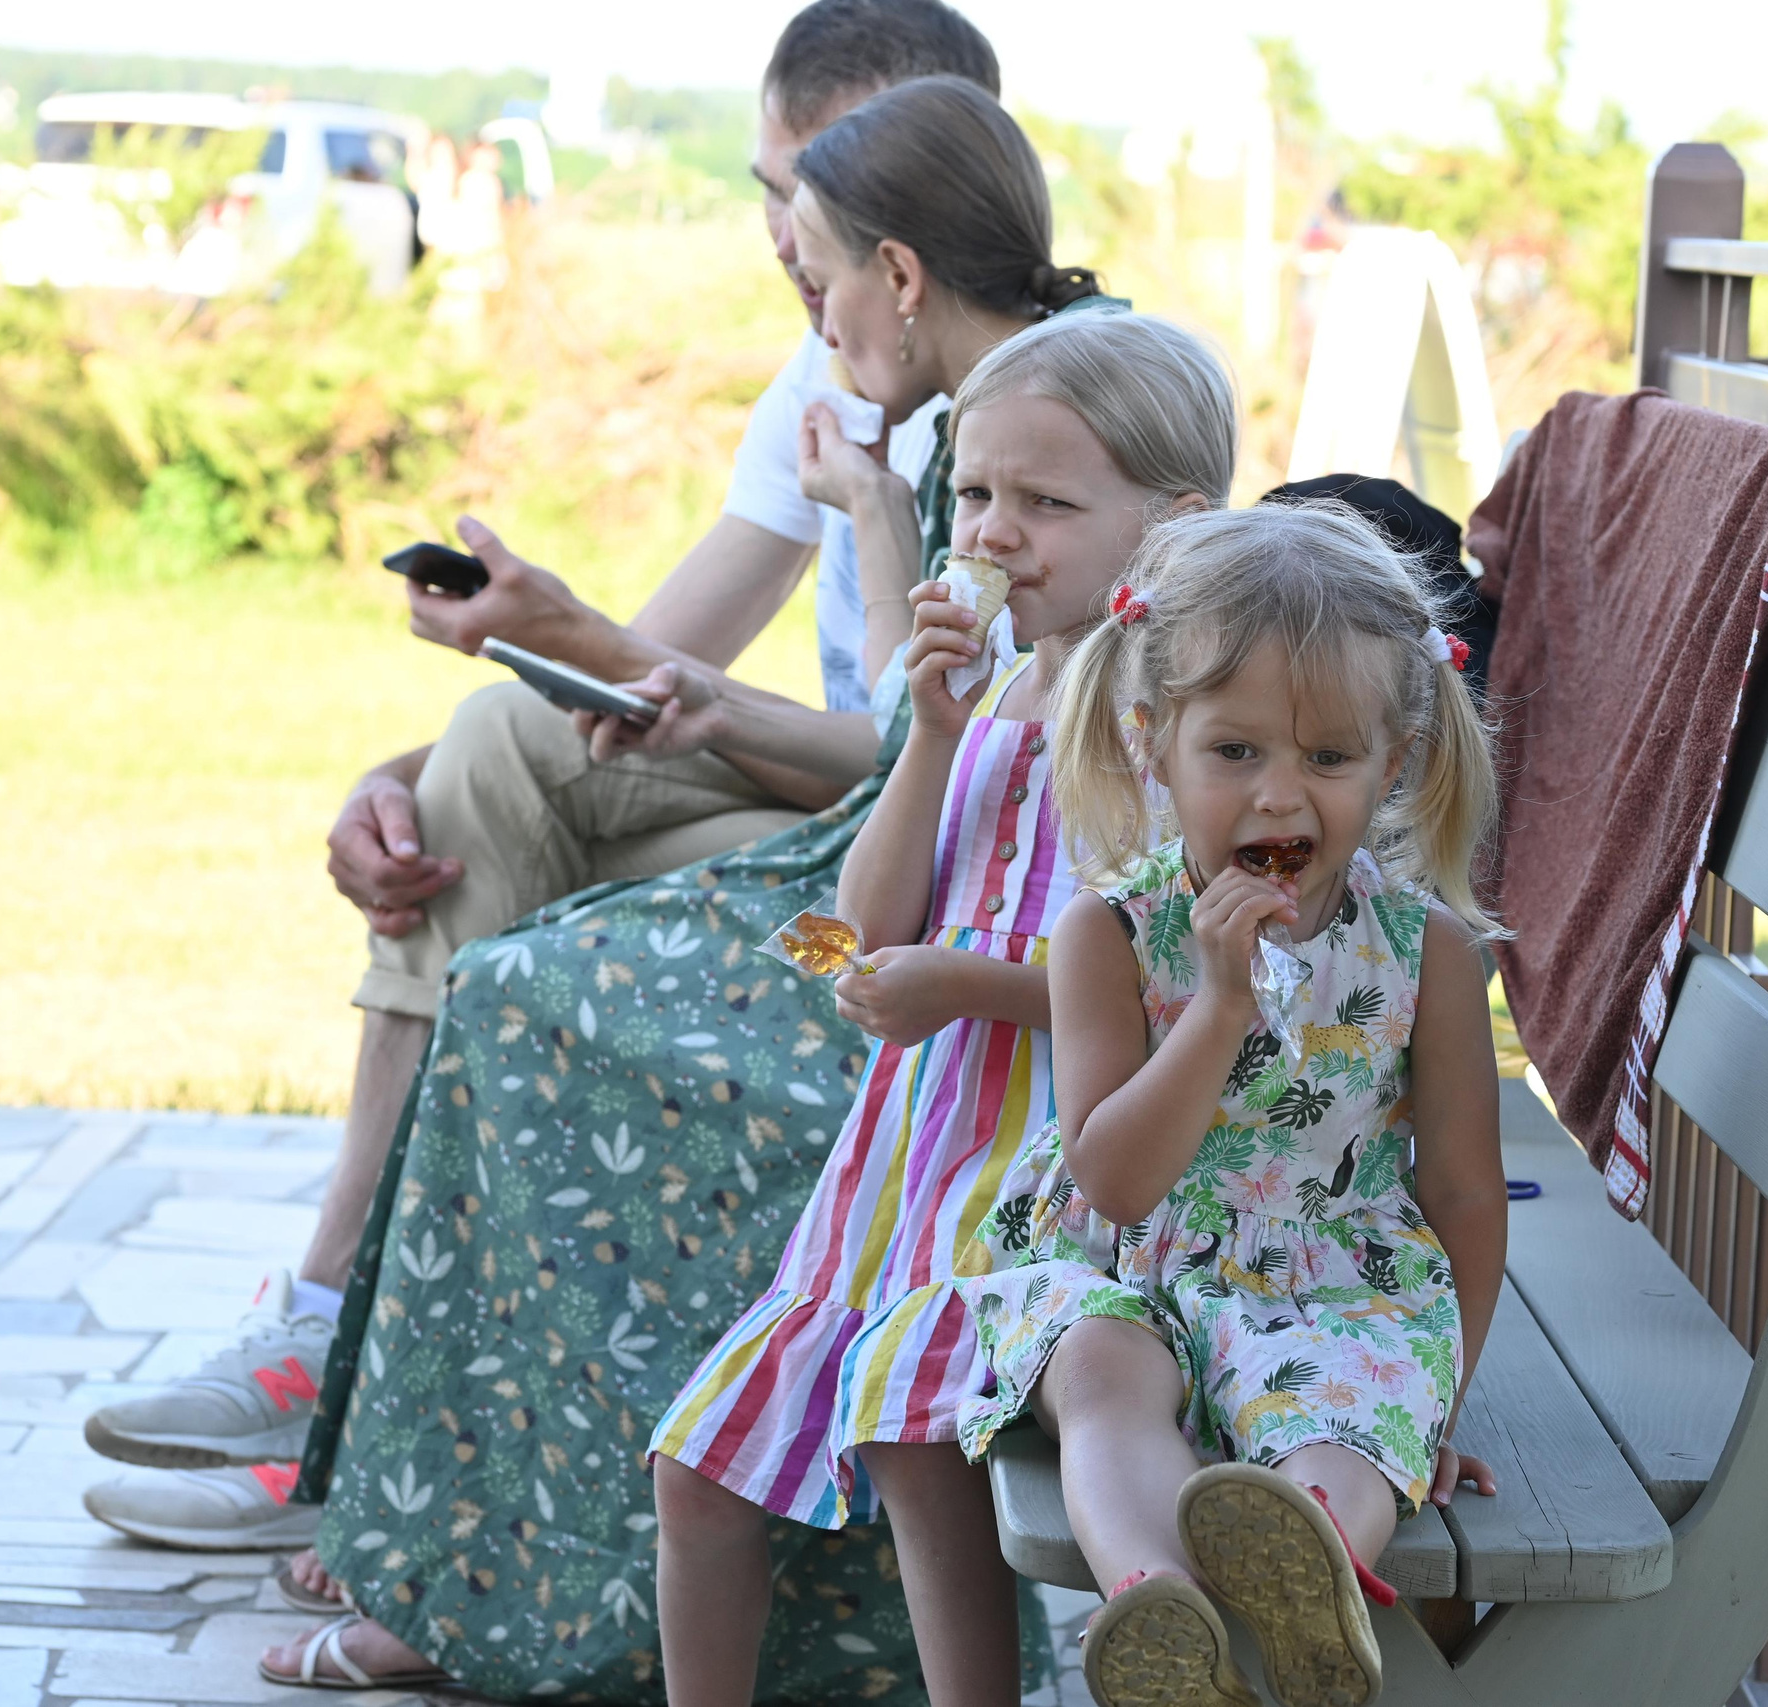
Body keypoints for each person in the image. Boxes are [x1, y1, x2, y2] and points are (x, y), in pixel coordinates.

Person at [79, 0, 1000, 1554]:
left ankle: (354, 1400)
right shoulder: (830, 370)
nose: (787, 240)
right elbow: (644, 669)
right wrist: (402, 775)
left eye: (818, 205)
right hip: (844, 840)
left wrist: (574, 641)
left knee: (523, 961)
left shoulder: (1026, 409)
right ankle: (329, 1344)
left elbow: (950, 760)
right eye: (773, 188)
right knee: (487, 770)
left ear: (923, 218)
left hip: (900, 924)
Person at [254, 72, 1120, 1696]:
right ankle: (439, 1540)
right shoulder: (962, 405)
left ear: (903, 274)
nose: (804, 293)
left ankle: (486, 1579)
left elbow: (950, 781)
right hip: (906, 877)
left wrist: (870, 516)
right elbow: (911, 754)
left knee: (528, 1009)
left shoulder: (1042, 427)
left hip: (967, 934)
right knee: (516, 849)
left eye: (816, 257)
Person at [648, 313, 1237, 1707]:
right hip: (911, 1162)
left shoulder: (1177, 723)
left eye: (1047, 501)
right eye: (975, 494)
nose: (997, 530)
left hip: (1052, 1162)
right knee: (697, 1472)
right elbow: (875, 909)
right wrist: (928, 732)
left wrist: (962, 984)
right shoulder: (1000, 686)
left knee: (922, 1428)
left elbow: (1172, 993)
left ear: (1175, 526)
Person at [927, 503, 1509, 1707]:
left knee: (1342, 1420)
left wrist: (1433, 1400)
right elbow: (1115, 1180)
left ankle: (1314, 1577)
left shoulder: (1426, 954)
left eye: (1328, 759)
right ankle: (1160, 1616)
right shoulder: (1105, 934)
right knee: (1098, 1374)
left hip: (1333, 1277)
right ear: (1154, 746)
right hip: (1126, 1260)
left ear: (1391, 764)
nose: (1279, 800)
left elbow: (1460, 1183)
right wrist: (1220, 1007)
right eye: (1235, 753)